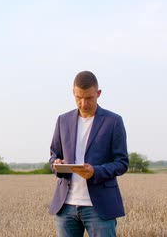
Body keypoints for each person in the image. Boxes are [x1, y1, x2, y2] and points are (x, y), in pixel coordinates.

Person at [49, 71, 129, 237]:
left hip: (100, 207)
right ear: (73, 92)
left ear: (98, 94)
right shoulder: (62, 120)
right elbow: (53, 155)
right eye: (79, 97)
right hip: (65, 206)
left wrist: (95, 171)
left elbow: (122, 162)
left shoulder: (113, 121)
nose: (83, 103)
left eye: (89, 98)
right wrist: (56, 164)